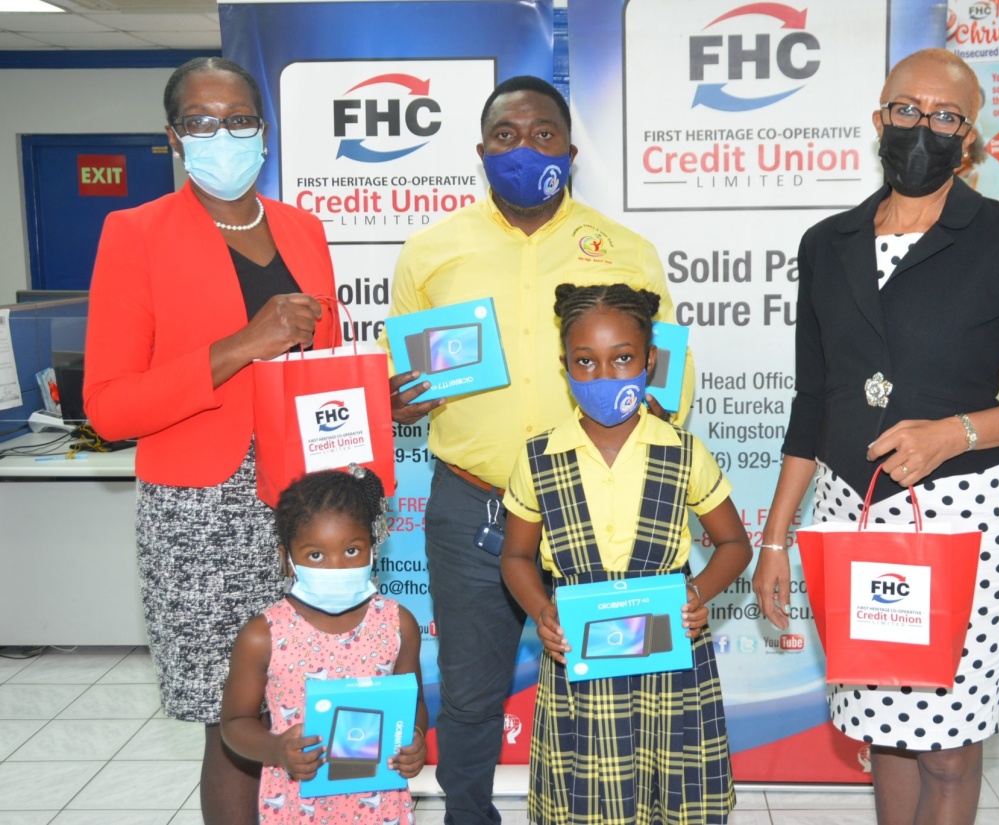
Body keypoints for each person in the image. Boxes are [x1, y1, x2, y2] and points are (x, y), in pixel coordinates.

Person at [750, 48, 999, 825]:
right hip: (853, 514)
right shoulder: (827, 243)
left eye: (945, 116)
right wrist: (774, 542)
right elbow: (814, 400)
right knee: (882, 732)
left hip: (961, 518)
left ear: (969, 139)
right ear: (879, 118)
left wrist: (956, 433)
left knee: (948, 742)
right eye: (907, 109)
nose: (923, 127)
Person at [381, 75, 692, 825]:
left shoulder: (627, 251)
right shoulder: (430, 251)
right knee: (468, 691)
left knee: (609, 686)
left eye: (543, 134)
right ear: (482, 151)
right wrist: (393, 398)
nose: (525, 148)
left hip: (592, 503)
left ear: (572, 151)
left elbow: (669, 385)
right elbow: (399, 379)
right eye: (507, 136)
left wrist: (649, 398)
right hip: (471, 503)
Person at [84, 57, 340, 824]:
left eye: (238, 119)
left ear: (264, 131)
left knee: (317, 703)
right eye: (200, 120)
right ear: (173, 137)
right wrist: (244, 343)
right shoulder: (134, 233)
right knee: (235, 720)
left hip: (313, 504)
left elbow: (321, 364)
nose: (221, 133)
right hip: (202, 515)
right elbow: (109, 408)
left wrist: (374, 399)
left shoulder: (303, 228)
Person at [500, 283, 750, 825]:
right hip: (579, 660)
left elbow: (734, 544)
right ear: (564, 365)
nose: (605, 376)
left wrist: (696, 593)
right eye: (585, 362)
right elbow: (516, 557)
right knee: (589, 800)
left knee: (675, 792)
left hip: (671, 656)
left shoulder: (682, 451)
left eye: (623, 359)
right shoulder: (539, 458)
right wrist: (541, 609)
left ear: (649, 361)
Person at [221, 465, 427, 823]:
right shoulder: (262, 636)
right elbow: (235, 722)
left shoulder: (397, 624)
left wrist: (416, 737)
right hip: (298, 802)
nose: (336, 566)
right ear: (287, 559)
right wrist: (277, 748)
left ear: (373, 548)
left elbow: (414, 702)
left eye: (352, 551)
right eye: (316, 555)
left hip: (379, 804)